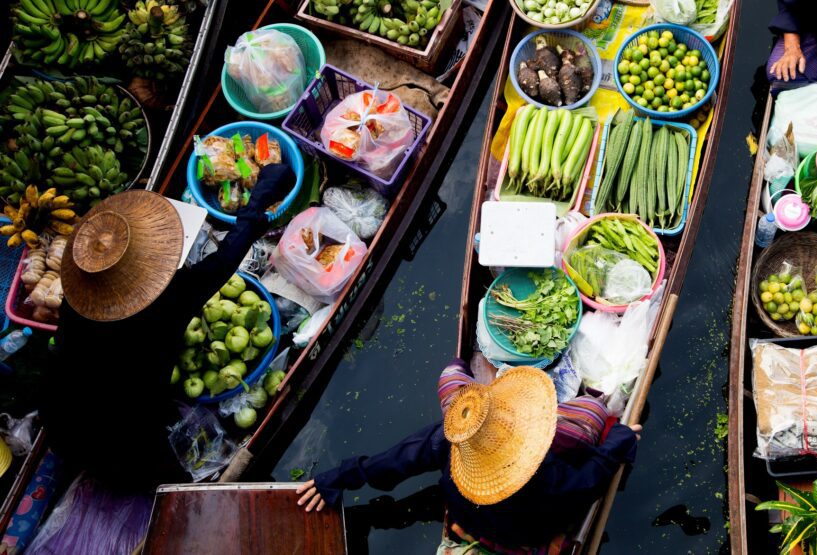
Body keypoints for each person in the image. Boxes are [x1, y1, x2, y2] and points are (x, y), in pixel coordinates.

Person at [40, 164, 294, 489]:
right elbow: (227, 257)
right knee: (149, 466)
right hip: (121, 430)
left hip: (59, 412)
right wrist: (262, 193)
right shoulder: (167, 299)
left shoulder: (79, 299)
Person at [296, 359, 641, 553]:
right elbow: (588, 481)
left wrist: (338, 477)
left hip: (471, 517)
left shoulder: (450, 440)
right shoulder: (547, 476)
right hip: (524, 535)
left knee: (452, 374)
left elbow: (395, 460)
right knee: (593, 413)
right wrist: (620, 442)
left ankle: (462, 372)